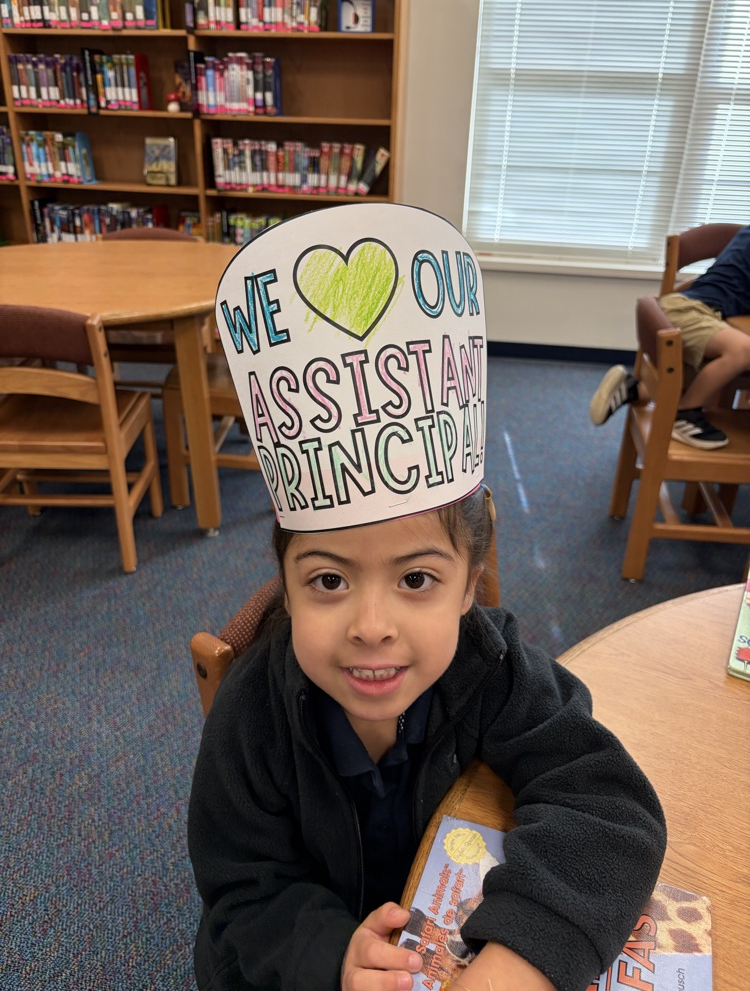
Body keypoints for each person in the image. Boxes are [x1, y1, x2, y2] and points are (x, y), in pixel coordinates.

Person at [188, 203, 667, 991]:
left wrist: (524, 952)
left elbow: (609, 805)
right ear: (287, 582)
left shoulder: (491, 664)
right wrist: (327, 955)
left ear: (469, 583)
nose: (371, 628)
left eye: (416, 580)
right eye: (329, 581)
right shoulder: (254, 715)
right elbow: (241, 893)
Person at [589, 224, 750, 449]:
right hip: (688, 310)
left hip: (699, 312)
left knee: (716, 367)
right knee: (742, 351)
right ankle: (684, 415)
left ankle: (636, 389)